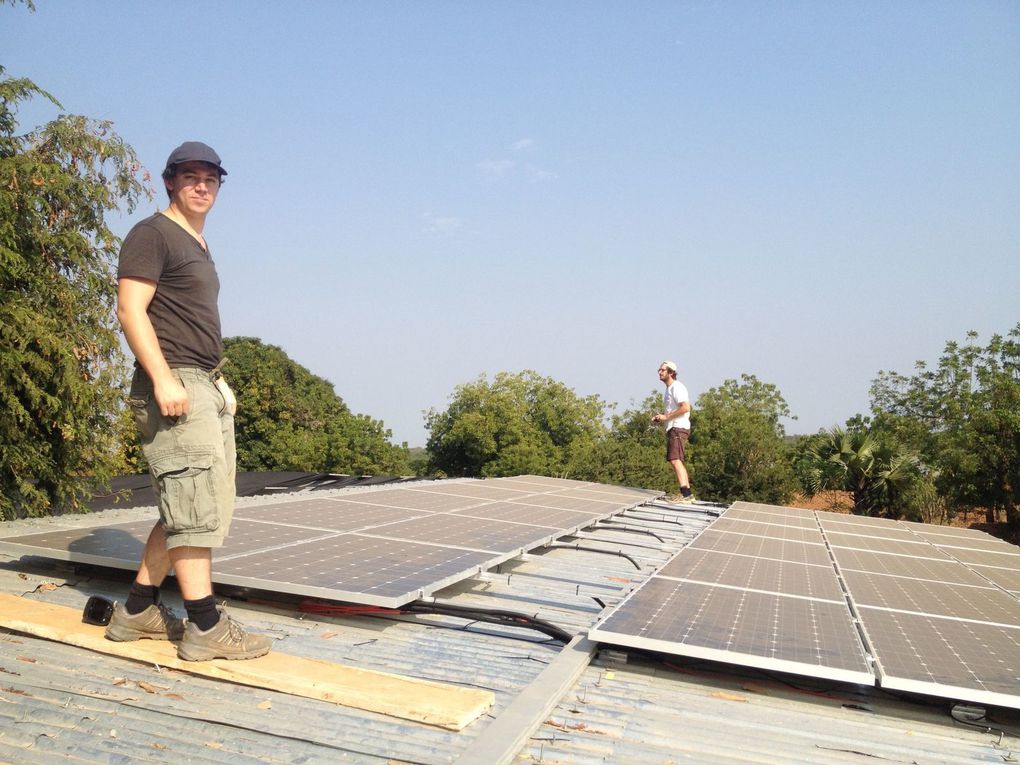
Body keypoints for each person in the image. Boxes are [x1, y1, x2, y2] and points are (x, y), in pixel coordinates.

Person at [105, 141, 270, 661]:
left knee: (195, 505)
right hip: (174, 381)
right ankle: (205, 625)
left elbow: (192, 323)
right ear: (170, 182)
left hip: (201, 382)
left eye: (211, 178)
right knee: (194, 508)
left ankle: (136, 611)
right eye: (191, 176)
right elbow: (130, 310)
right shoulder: (152, 234)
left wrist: (217, 383)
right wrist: (163, 378)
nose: (202, 185)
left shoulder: (194, 243)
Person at [651, 360, 694, 502]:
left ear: (671, 373)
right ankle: (687, 493)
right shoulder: (669, 389)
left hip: (678, 428)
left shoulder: (676, 387)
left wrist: (666, 417)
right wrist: (662, 418)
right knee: (676, 460)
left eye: (663, 370)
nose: (659, 372)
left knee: (675, 459)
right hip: (674, 427)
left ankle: (686, 495)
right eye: (659, 369)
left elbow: (686, 407)